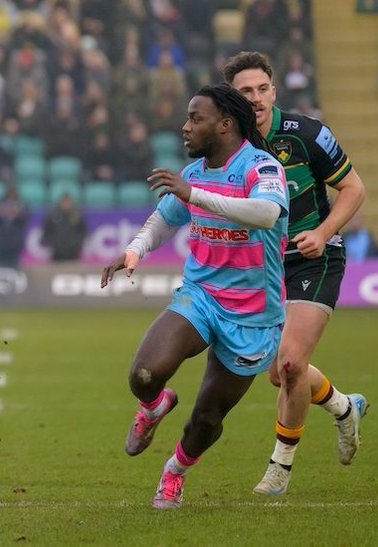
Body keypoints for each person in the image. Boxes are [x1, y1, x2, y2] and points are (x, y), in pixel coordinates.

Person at [101, 84, 289, 510]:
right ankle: (152, 407)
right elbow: (165, 219)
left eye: (195, 119)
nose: (185, 128)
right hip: (201, 295)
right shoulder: (196, 173)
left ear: (225, 125)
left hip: (254, 315)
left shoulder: (262, 168)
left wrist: (194, 195)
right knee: (144, 375)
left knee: (206, 418)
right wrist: (136, 249)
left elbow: (266, 214)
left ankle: (175, 472)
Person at [223, 51, 370, 497]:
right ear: (232, 98)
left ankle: (279, 470)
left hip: (314, 258)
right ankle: (345, 407)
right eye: (244, 92)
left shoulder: (306, 134)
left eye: (262, 89)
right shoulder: (228, 147)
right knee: (280, 372)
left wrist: (324, 233)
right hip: (262, 270)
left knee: (289, 363)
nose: (255, 99)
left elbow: (354, 188)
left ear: (274, 90)